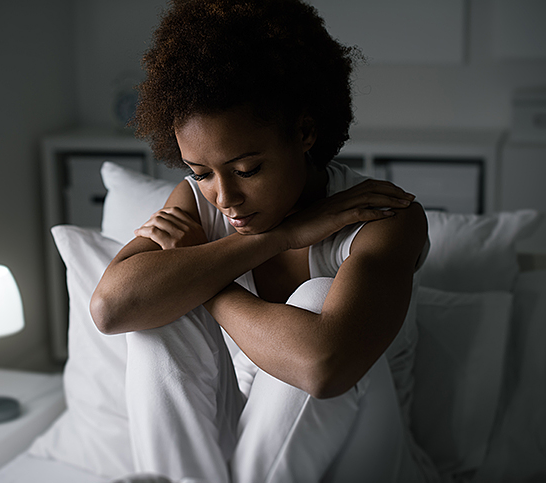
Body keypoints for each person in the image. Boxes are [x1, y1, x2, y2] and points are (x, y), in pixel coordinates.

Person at [91, 0, 430, 481]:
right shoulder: (199, 201)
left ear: (305, 131)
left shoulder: (382, 217)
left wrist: (203, 277)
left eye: (248, 169)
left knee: (314, 298)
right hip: (247, 447)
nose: (225, 198)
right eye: (201, 173)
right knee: (156, 312)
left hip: (365, 454)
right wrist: (281, 237)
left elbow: (323, 367)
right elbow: (111, 309)